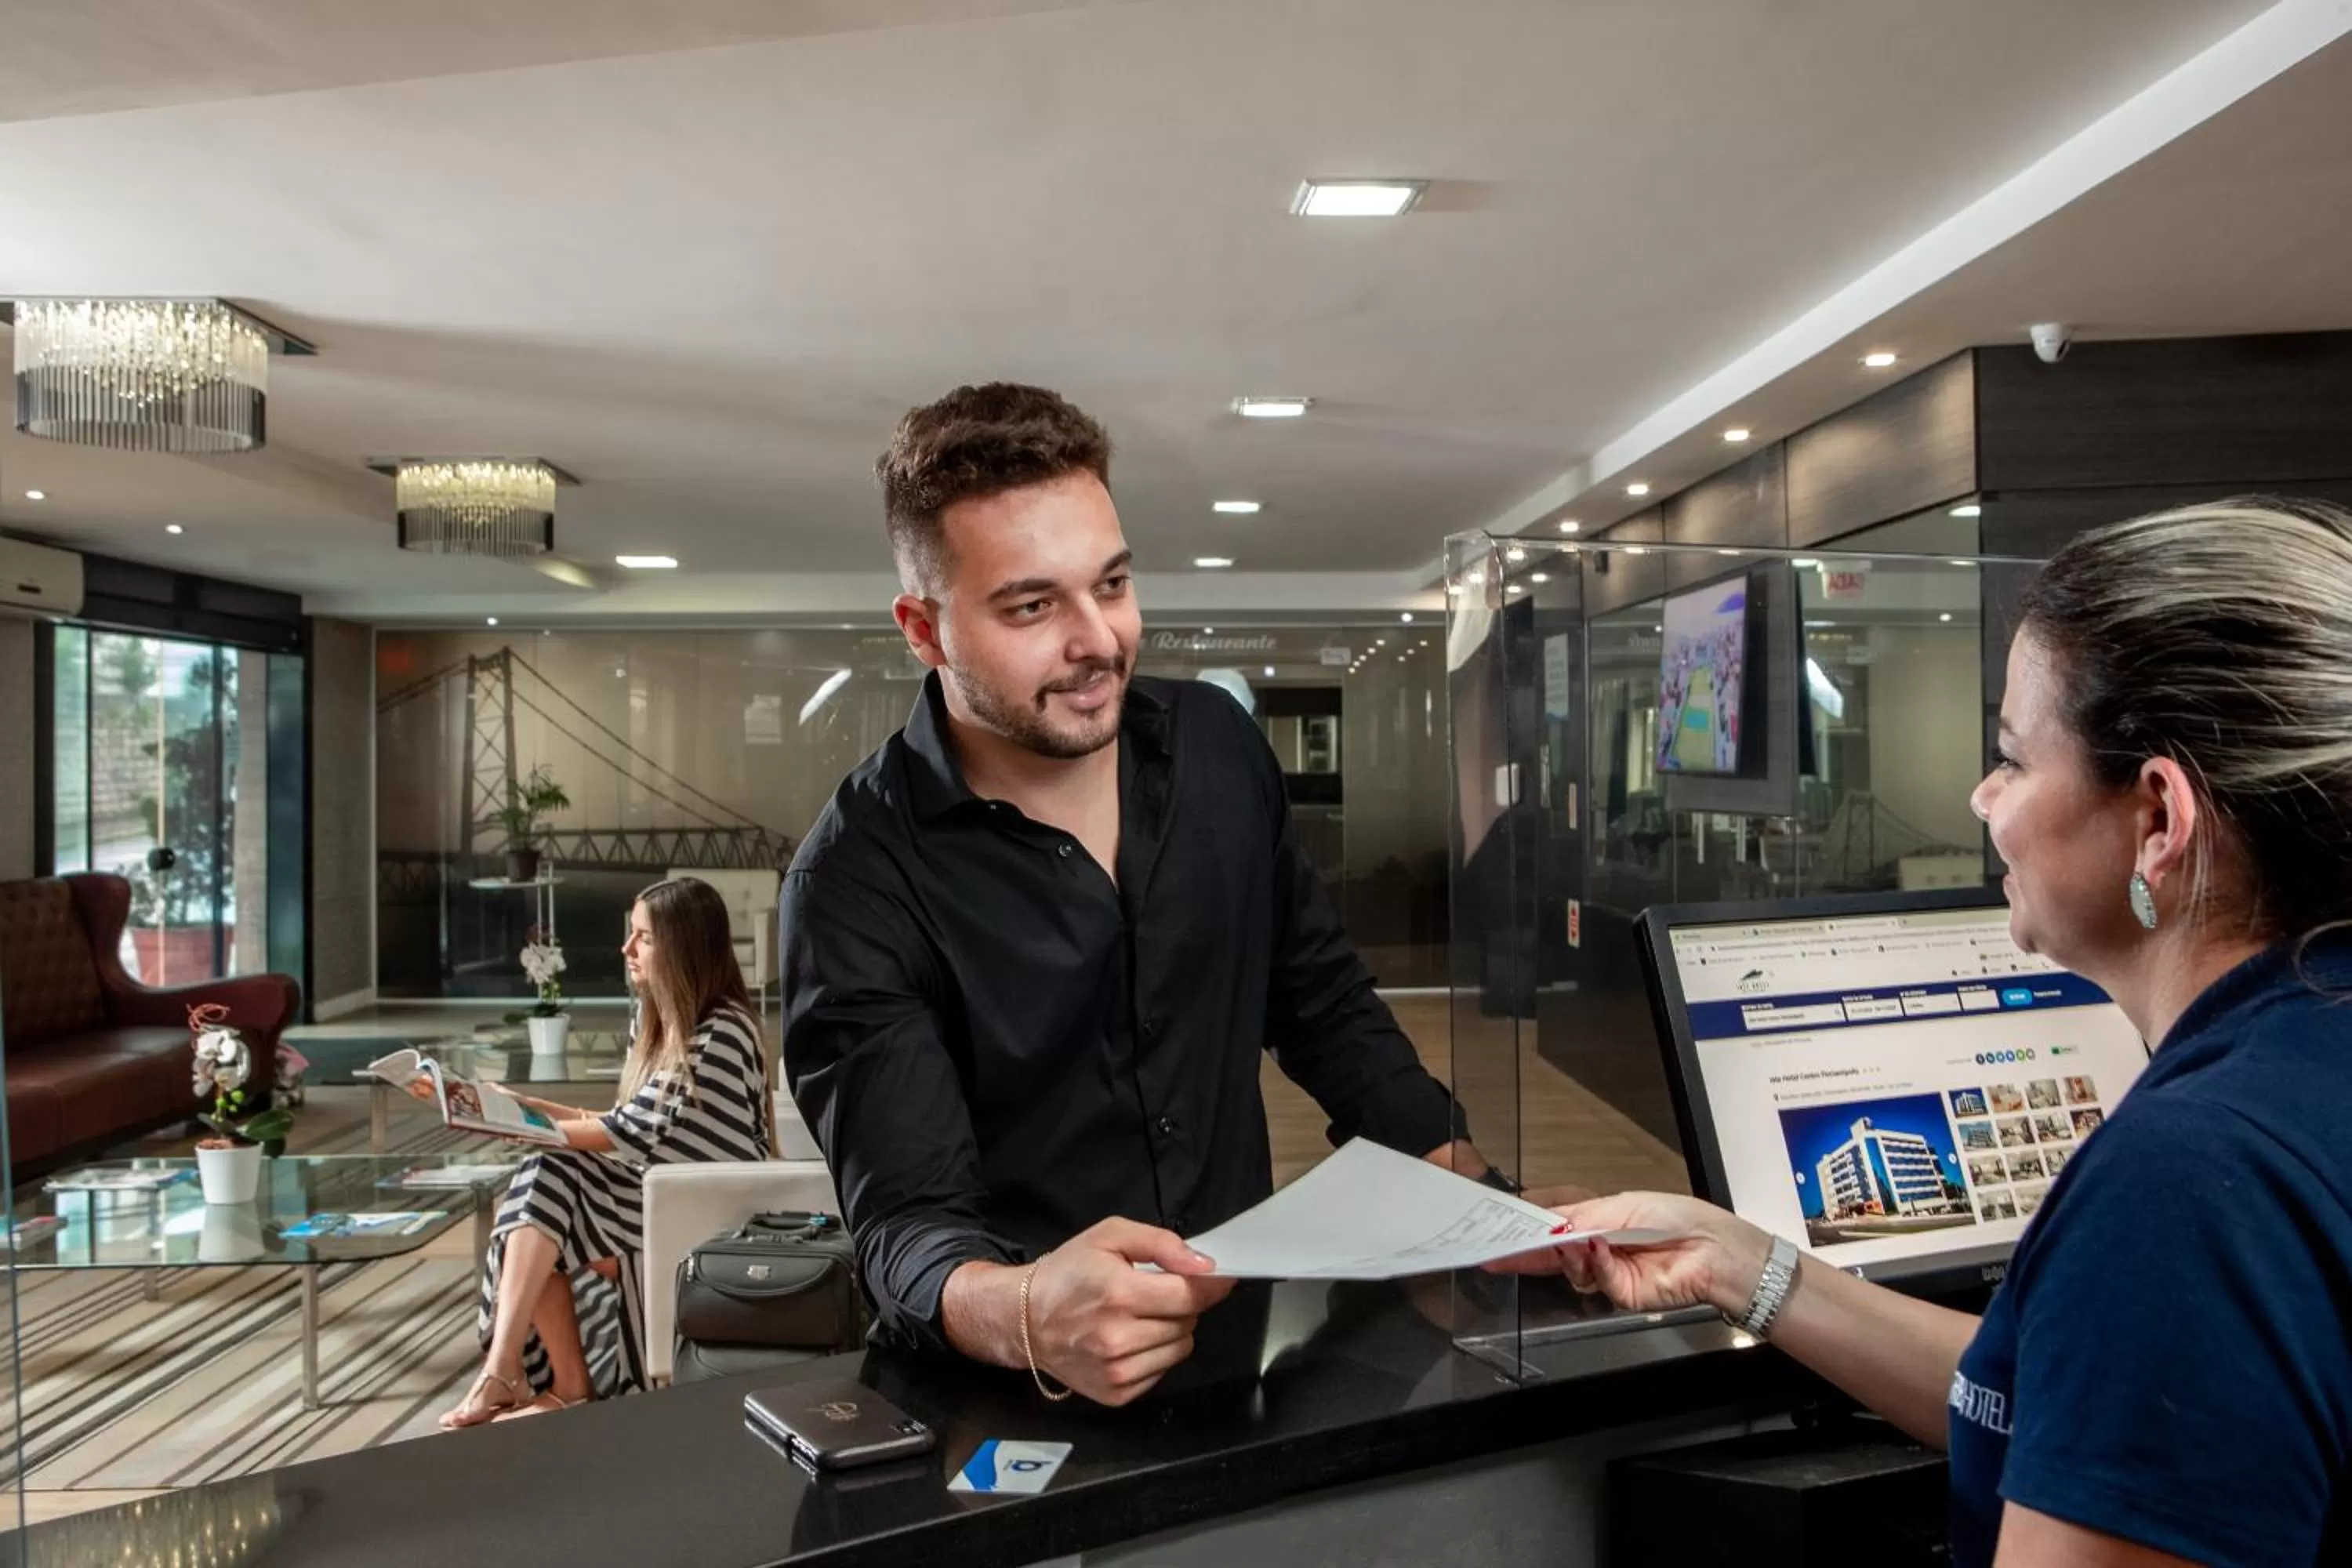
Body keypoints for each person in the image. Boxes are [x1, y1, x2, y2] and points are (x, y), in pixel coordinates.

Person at [1507, 499, 2352, 1565]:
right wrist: (1738, 1265)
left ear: (2158, 820)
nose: (1982, 796)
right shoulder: (2307, 1059)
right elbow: (2049, 1399)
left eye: (2012, 756)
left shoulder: (2189, 1185)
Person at [782, 382, 1528, 1408]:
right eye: (1034, 605)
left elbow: (1322, 1008)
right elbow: (906, 1224)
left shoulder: (1219, 752)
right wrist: (1031, 1309)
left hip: (1244, 1354)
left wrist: (1496, 1213)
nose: (1099, 640)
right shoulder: (856, 881)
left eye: (1114, 583)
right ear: (924, 628)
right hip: (1018, 1393)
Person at [437, 877, 775, 1425]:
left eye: (641, 937)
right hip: (655, 1201)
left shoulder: (724, 1031)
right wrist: (518, 1107)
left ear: (680, 946)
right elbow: (617, 1123)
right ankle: (531, 1378)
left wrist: (521, 1125)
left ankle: (531, 1378)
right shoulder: (656, 1022)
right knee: (541, 1193)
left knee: (544, 1182)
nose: (626, 949)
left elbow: (627, 1132)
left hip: (709, 1221)